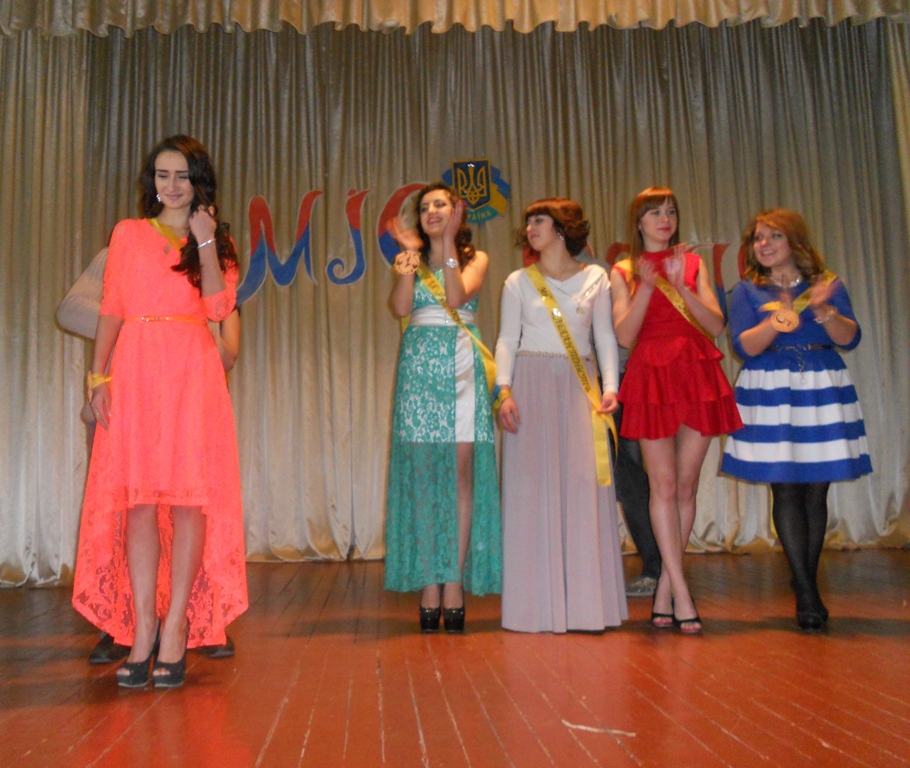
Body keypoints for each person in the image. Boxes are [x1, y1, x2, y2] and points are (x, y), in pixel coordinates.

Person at [71, 135, 248, 688]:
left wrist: (205, 241)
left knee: (192, 503)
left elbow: (219, 307)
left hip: (192, 372)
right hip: (136, 368)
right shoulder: (127, 233)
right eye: (162, 174)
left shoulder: (216, 241)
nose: (171, 185)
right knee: (139, 503)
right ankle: (143, 628)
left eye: (182, 175)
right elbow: (112, 307)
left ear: (199, 182)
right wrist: (98, 376)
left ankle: (176, 629)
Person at [57, 249, 241, 662]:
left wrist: (183, 331)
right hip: (128, 398)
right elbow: (69, 310)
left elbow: (227, 343)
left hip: (187, 396)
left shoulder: (209, 252)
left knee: (190, 512)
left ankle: (197, 619)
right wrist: (141, 325)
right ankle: (122, 625)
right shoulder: (120, 250)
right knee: (130, 513)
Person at [721, 209, 872, 630]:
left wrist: (822, 309)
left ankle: (806, 579)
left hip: (820, 385)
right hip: (771, 387)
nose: (763, 244)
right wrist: (777, 318)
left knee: (815, 491)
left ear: (795, 241)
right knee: (785, 488)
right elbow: (745, 346)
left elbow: (850, 338)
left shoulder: (826, 284)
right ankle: (806, 592)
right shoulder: (747, 290)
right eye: (758, 238)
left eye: (774, 236)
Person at [610, 187, 742, 634]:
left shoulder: (693, 264)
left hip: (695, 371)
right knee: (662, 485)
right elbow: (624, 335)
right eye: (654, 213)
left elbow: (716, 324)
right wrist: (647, 285)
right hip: (651, 374)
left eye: (670, 211)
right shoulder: (623, 270)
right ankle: (682, 593)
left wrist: (681, 285)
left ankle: (667, 585)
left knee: (686, 486)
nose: (664, 219)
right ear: (639, 223)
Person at [495, 198, 628, 633]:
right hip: (530, 387)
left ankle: (587, 607)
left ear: (561, 228)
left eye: (540, 220)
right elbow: (506, 340)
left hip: (579, 390)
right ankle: (532, 608)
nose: (530, 228)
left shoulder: (596, 278)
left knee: (583, 487)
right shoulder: (517, 281)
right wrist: (504, 390)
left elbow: (604, 336)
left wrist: (610, 387)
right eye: (528, 221)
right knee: (529, 489)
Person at [384, 183, 502, 633]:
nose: (432, 211)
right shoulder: (410, 258)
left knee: (459, 475)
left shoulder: (476, 258)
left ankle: (454, 581)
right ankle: (429, 582)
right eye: (425, 207)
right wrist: (409, 257)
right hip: (418, 366)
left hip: (460, 364)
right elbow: (400, 306)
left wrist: (448, 243)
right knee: (423, 478)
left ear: (457, 212)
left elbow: (455, 297)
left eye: (440, 204)